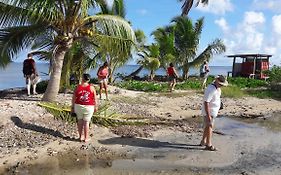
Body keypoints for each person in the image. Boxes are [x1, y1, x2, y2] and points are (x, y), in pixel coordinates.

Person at [200, 75, 228, 151]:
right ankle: (208, 144)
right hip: (209, 111)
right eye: (220, 84)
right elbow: (206, 102)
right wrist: (208, 115)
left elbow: (216, 98)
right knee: (210, 127)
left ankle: (203, 141)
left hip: (213, 111)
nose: (221, 86)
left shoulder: (217, 89)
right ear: (216, 81)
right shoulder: (210, 89)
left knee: (207, 126)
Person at [71, 74, 98, 142]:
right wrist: (96, 106)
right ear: (88, 80)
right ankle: (86, 138)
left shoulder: (77, 87)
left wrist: (72, 107)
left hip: (78, 106)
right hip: (89, 107)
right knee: (86, 122)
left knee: (80, 121)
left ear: (82, 79)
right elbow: (95, 98)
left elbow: (73, 98)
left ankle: (80, 137)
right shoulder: (92, 88)